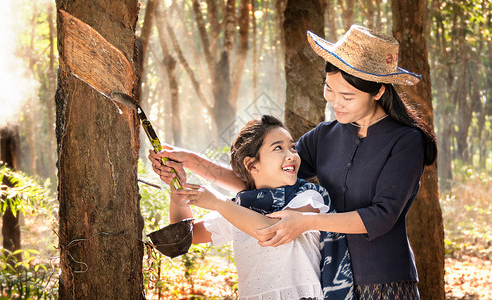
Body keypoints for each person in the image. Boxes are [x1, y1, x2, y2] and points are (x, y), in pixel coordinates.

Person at [149, 25, 437, 299]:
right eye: (329, 90)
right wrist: (193, 163)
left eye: (347, 96)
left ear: (378, 91)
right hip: (325, 281)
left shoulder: (406, 141)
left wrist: (305, 222)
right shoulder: (325, 135)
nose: (335, 103)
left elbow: (383, 216)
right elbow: (266, 179)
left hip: (382, 277)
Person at [168, 115, 352, 300]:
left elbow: (274, 231)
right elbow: (184, 237)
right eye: (278, 148)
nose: (291, 155)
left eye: (292, 147)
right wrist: (177, 189)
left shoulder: (308, 197)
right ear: (252, 165)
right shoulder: (240, 207)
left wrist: (218, 203)